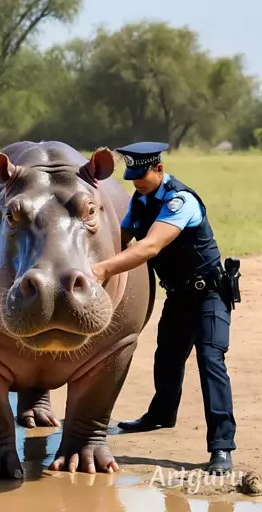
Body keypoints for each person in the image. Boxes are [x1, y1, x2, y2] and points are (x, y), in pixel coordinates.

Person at [91, 142, 236, 474]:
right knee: (167, 357)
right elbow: (123, 237)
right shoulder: (141, 201)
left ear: (158, 168)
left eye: (141, 176)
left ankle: (222, 447)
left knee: (210, 361)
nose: (136, 182)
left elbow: (150, 246)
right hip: (179, 296)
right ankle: (160, 415)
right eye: (133, 177)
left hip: (208, 295)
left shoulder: (179, 200)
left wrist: (102, 270)